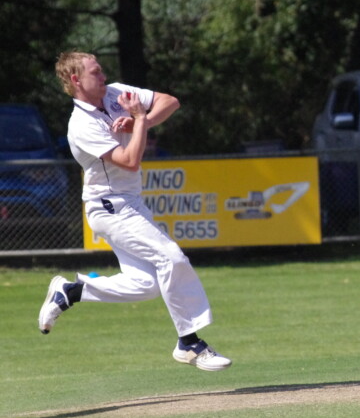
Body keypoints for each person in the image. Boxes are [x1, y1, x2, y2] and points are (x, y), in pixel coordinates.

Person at [39, 51, 231, 372]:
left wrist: (143, 118)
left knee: (147, 285)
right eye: (95, 72)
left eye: (101, 71)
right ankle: (190, 343)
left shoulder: (116, 93)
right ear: (76, 80)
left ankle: (73, 291)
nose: (103, 76)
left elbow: (170, 101)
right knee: (171, 257)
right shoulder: (81, 125)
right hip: (109, 206)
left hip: (131, 202)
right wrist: (140, 119)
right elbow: (130, 160)